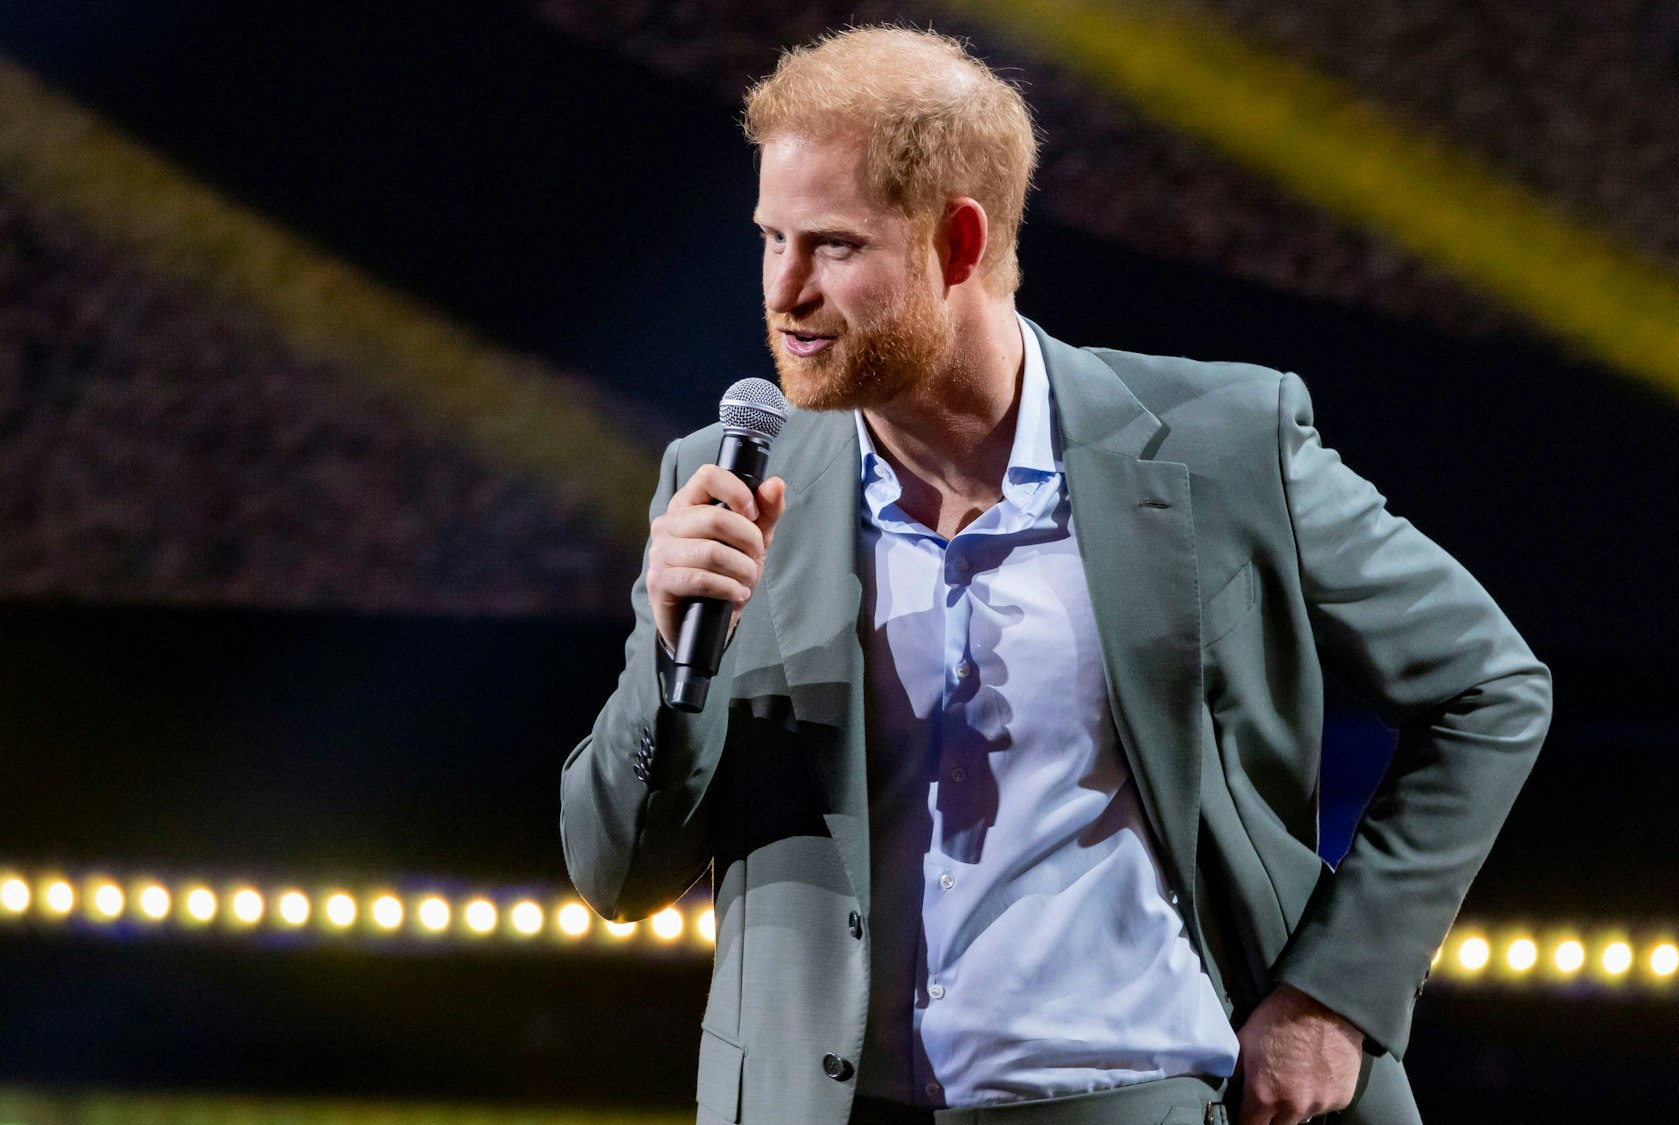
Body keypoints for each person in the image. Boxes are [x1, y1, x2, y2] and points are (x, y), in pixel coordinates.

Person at [560, 25, 1552, 1125]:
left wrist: (1334, 996)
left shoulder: (1216, 446)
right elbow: (619, 874)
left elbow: (1489, 688)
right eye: (769, 237)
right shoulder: (724, 485)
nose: (784, 290)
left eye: (833, 246)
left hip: (1139, 1098)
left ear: (957, 242)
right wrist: (666, 654)